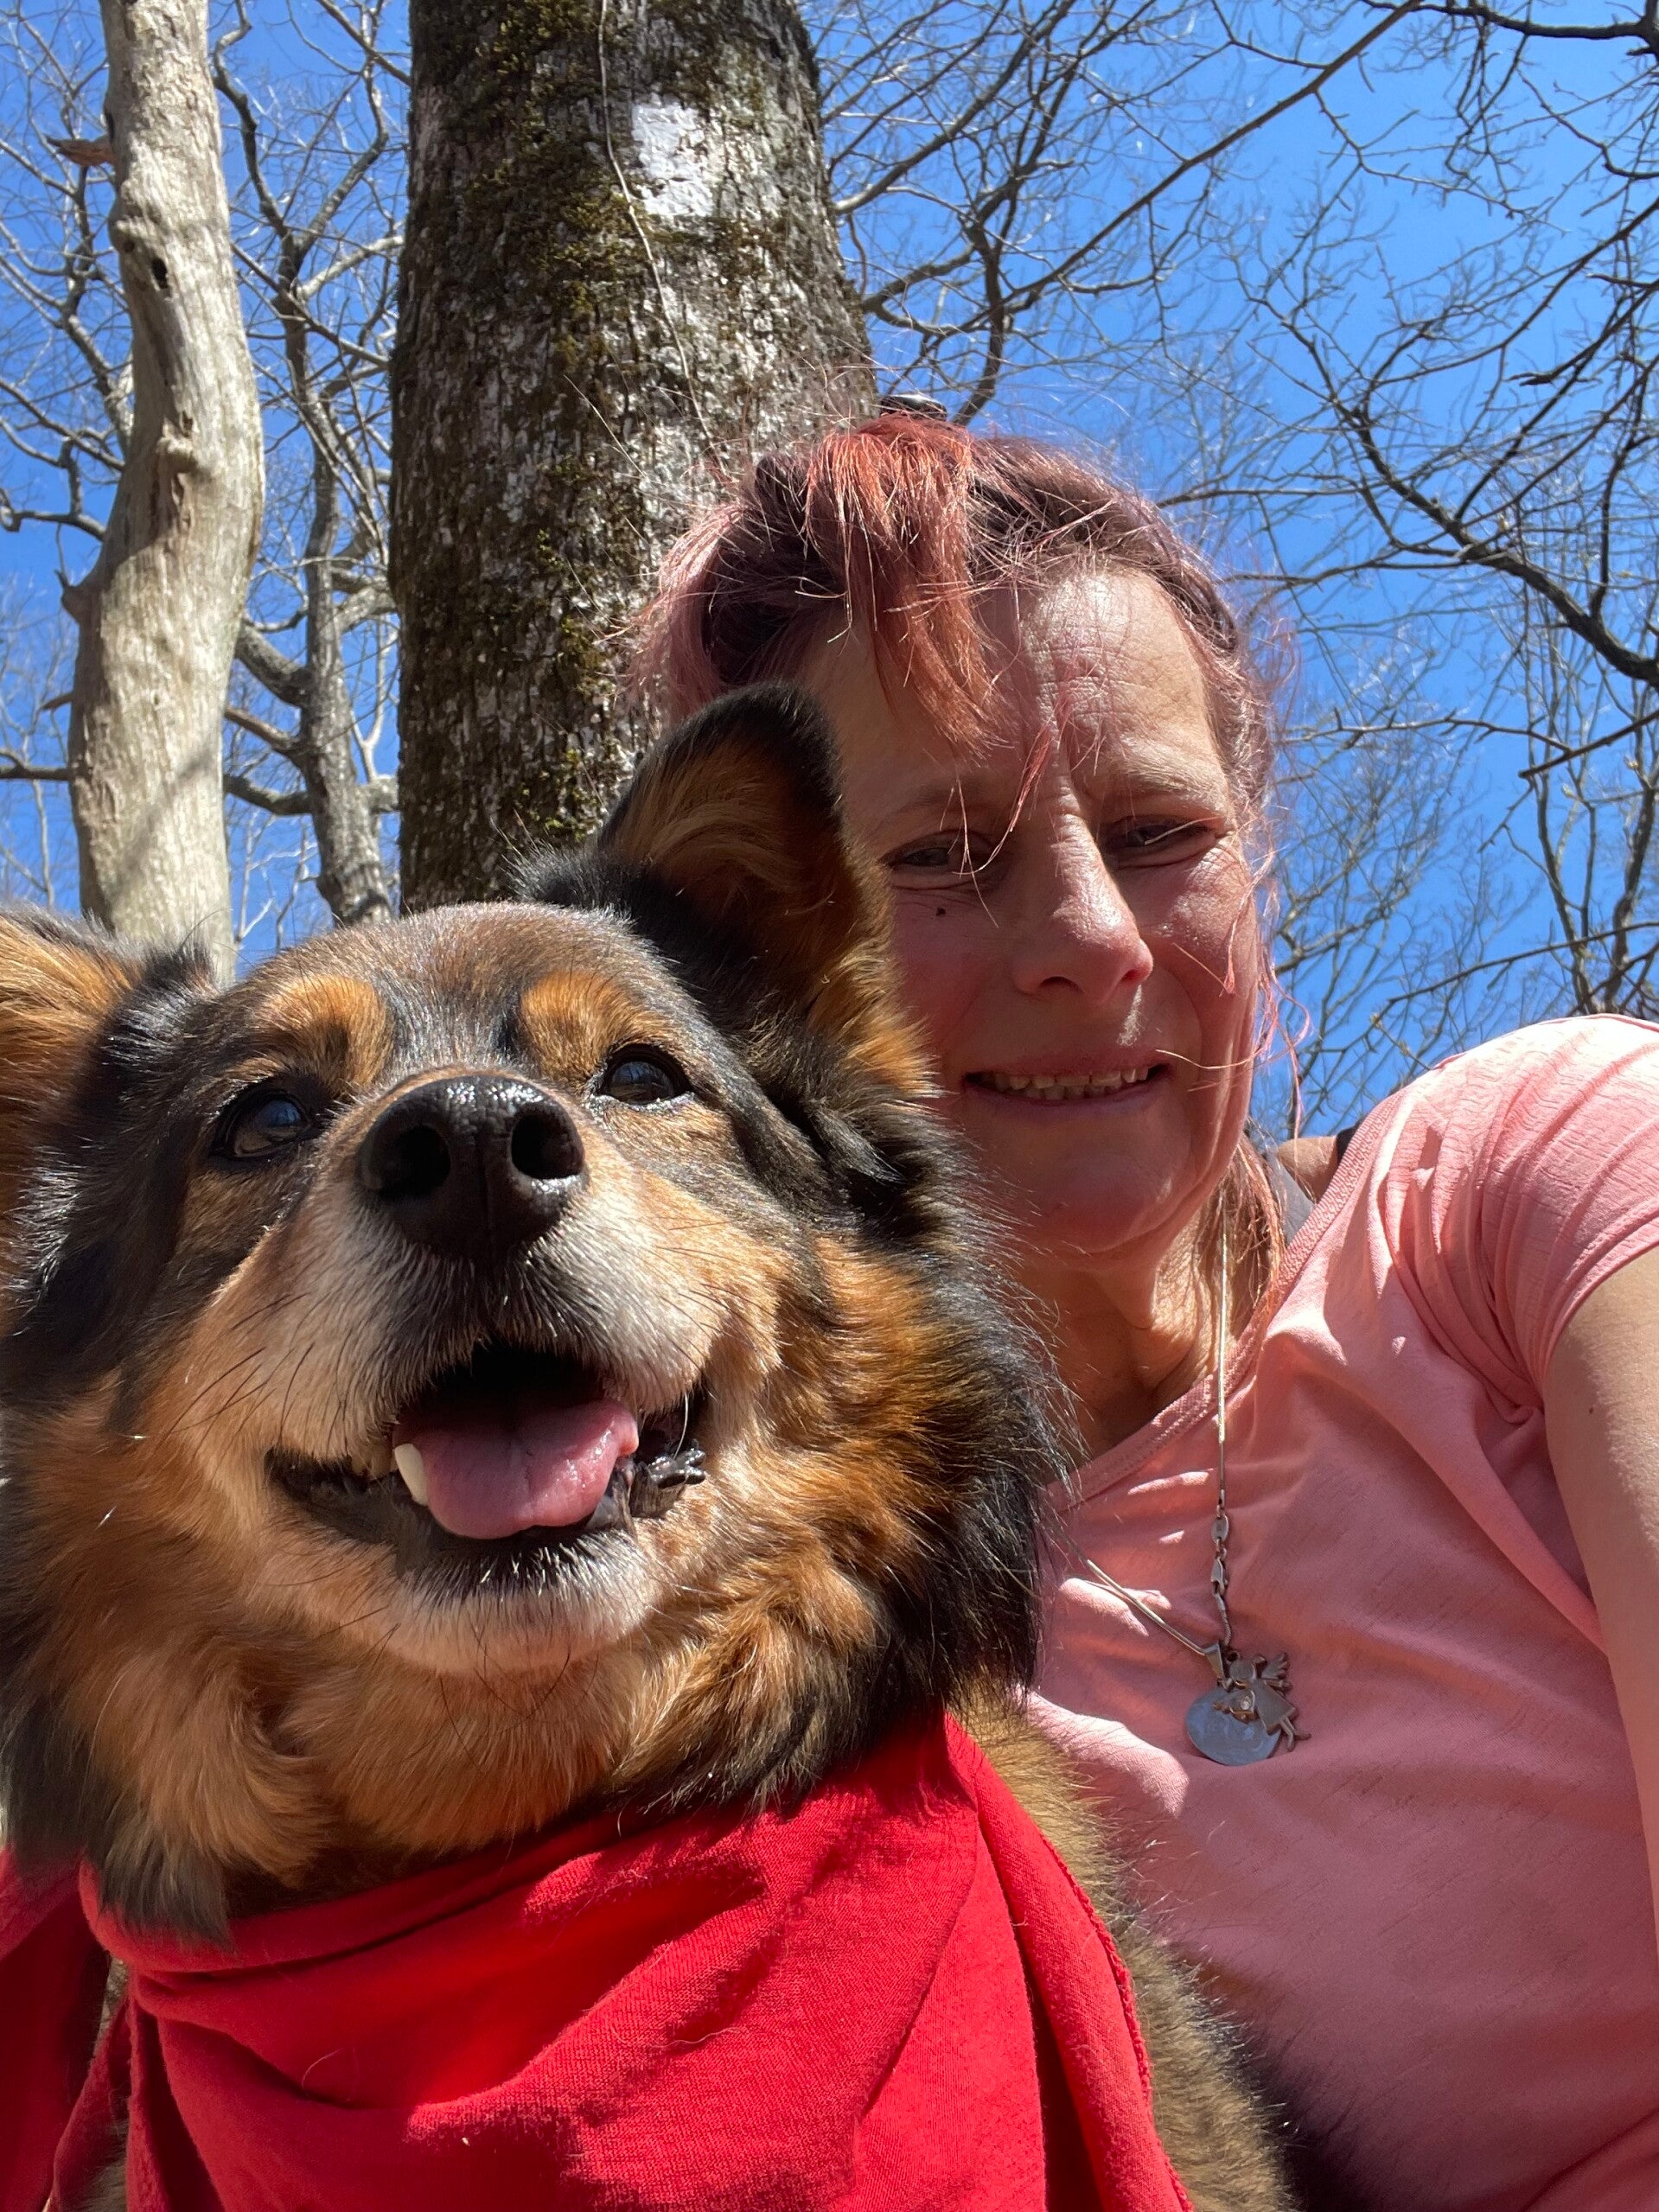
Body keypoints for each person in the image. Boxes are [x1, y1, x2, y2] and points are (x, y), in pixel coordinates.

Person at [633, 411, 1659, 2211]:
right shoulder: (835, 1633)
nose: (1091, 934)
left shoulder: (1537, 1176)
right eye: (946, 851)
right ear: (771, 979)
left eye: (1163, 828)